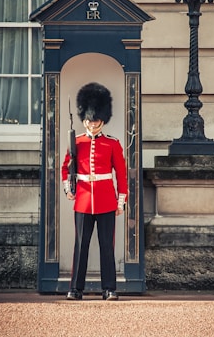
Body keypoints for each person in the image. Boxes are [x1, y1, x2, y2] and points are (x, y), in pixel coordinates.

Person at [62, 82, 128, 301]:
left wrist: (120, 201)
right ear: (84, 119)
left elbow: (121, 173)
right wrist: (68, 188)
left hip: (106, 200)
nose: (93, 123)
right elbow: (65, 168)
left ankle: (109, 288)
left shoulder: (112, 144)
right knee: (81, 245)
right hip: (82, 199)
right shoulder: (77, 142)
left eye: (96, 119)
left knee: (106, 246)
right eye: (90, 119)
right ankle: (75, 288)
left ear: (103, 119)